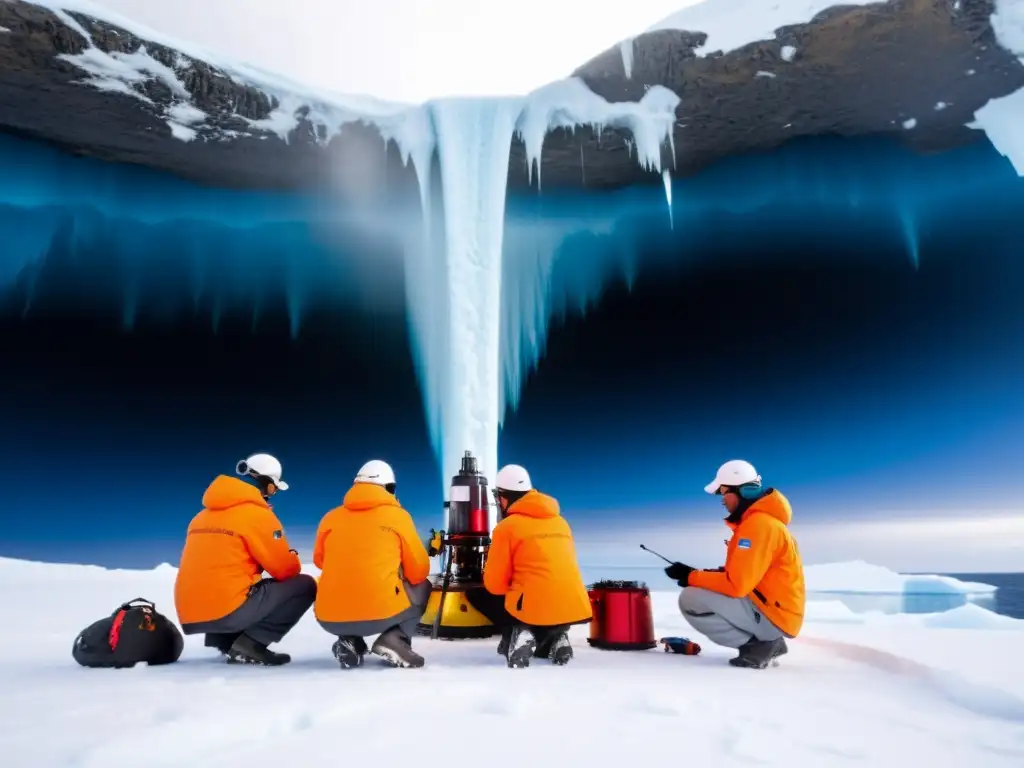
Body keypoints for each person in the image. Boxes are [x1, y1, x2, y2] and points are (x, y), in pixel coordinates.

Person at [174, 453, 316, 666]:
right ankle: (251, 644)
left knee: (241, 583)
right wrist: (293, 556)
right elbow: (284, 570)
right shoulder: (258, 515)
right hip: (227, 612)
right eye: (274, 488)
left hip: (189, 613)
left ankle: (226, 641)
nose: (273, 494)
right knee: (304, 585)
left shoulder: (200, 517)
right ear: (267, 486)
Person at [664, 459, 806, 669]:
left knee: (691, 599)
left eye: (723, 492)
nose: (722, 500)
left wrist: (691, 577)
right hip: (776, 610)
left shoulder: (758, 526)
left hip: (774, 615)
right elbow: (745, 573)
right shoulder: (763, 523)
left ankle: (762, 646)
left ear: (740, 491)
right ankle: (766, 642)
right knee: (698, 589)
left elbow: (736, 585)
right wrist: (696, 574)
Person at [469, 464, 592, 668]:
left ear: (503, 496)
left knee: (480, 595)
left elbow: (495, 585)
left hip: (531, 608)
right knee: (540, 597)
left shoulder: (507, 527)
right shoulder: (560, 522)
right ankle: (555, 637)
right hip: (572, 606)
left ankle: (522, 631)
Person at [313, 459, 431, 669]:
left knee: (348, 579)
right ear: (390, 488)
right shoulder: (398, 517)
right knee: (423, 586)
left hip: (328, 617)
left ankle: (349, 640)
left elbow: (320, 561)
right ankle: (395, 639)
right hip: (379, 614)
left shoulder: (329, 518)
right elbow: (418, 571)